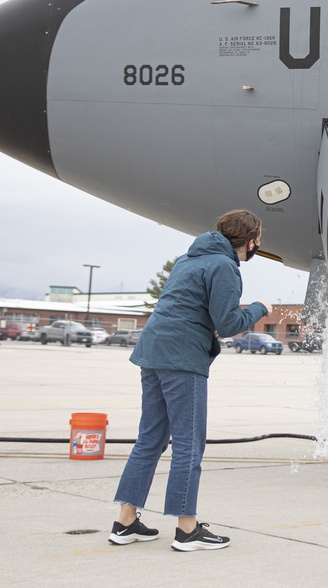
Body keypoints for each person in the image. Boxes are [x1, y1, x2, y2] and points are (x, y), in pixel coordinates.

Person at [108, 210, 272, 551]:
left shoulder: (189, 258)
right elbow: (227, 324)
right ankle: (187, 529)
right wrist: (260, 308)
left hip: (152, 352)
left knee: (150, 439)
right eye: (259, 240)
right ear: (251, 241)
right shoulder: (224, 266)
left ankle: (125, 523)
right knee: (188, 444)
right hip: (182, 358)